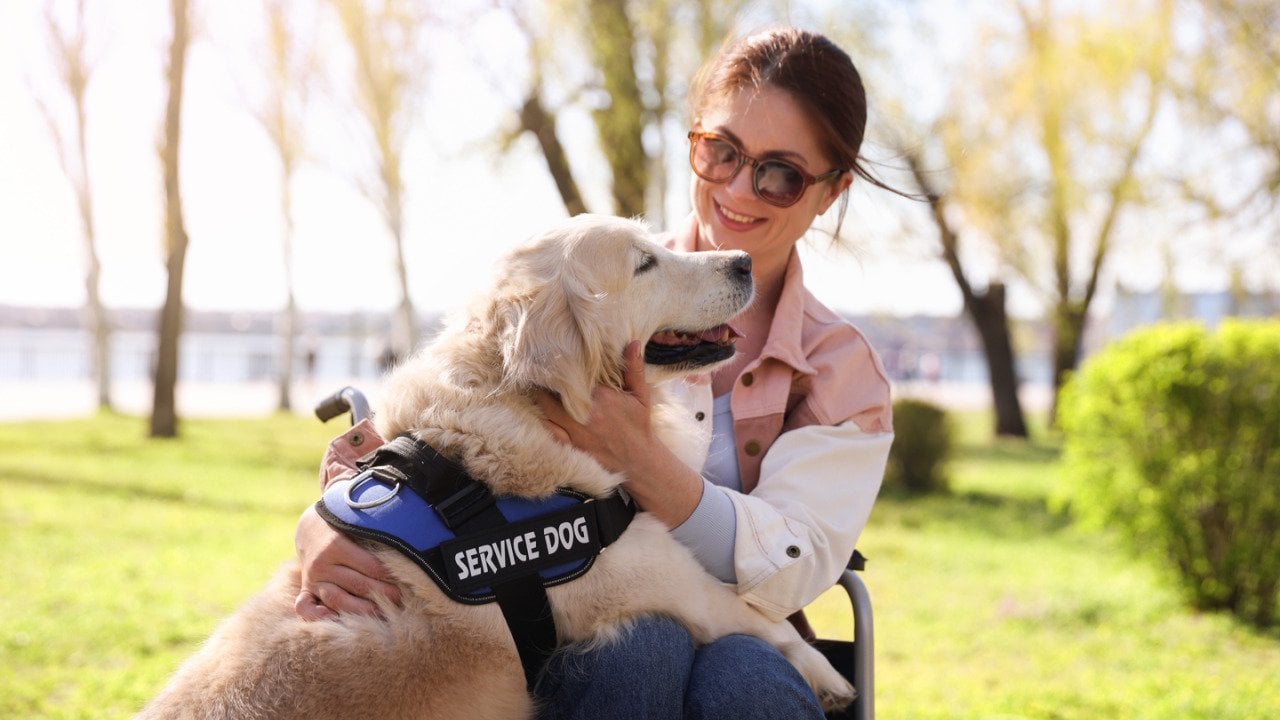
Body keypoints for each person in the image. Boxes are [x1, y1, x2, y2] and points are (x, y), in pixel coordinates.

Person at [293, 26, 894, 720]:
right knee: (638, 650)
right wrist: (327, 521)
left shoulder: (842, 372)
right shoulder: (590, 280)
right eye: (721, 152)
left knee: (743, 677)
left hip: (753, 636)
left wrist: (636, 457)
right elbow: (440, 416)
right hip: (555, 624)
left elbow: (795, 569)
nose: (738, 188)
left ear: (830, 190)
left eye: (780, 172)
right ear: (694, 142)